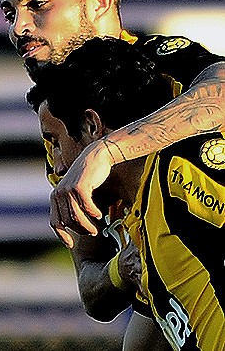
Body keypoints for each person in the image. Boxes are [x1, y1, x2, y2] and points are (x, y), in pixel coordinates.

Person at [0, 0, 224, 349]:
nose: (19, 27)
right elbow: (92, 286)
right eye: (11, 13)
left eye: (37, 5)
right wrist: (125, 270)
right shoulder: (59, 123)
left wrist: (109, 150)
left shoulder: (166, 71)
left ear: (100, 2)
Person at [28, 36, 225, 351]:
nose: (60, 166)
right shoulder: (140, 224)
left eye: (56, 142)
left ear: (93, 125)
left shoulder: (182, 175)